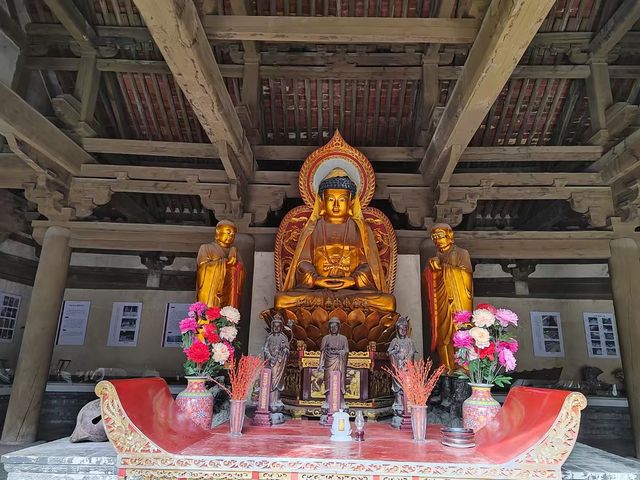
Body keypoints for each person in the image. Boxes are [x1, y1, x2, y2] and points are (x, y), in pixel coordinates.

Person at [275, 168, 395, 312]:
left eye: (342, 200)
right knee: (281, 300)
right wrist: (316, 279)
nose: (336, 205)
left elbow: (368, 265)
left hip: (352, 291)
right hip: (318, 291)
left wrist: (353, 280)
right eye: (331, 199)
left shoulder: (360, 229)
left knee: (388, 302)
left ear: (351, 202)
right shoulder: (313, 228)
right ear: (322, 202)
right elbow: (303, 263)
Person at [423, 223, 473, 372]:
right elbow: (426, 282)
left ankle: (461, 366)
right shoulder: (433, 258)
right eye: (434, 238)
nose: (437, 240)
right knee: (442, 333)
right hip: (441, 302)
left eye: (440, 236)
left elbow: (467, 277)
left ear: (449, 236)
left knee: (459, 330)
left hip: (458, 300)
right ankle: (445, 366)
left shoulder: (461, 253)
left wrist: (445, 269)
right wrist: (432, 272)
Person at [196, 220, 244, 308]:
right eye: (228, 233)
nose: (230, 236)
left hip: (228, 293)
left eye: (233, 235)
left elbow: (241, 271)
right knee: (209, 314)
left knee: (228, 315)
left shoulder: (235, 252)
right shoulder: (206, 247)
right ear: (218, 233)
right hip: (211, 293)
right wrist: (225, 262)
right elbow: (202, 269)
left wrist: (235, 264)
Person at [388, 316, 417, 414]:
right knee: (397, 387)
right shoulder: (394, 341)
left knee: (408, 387)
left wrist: (406, 361)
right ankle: (398, 403)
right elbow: (390, 353)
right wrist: (395, 352)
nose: (403, 331)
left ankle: (408, 406)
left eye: (405, 328)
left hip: (407, 368)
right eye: (401, 328)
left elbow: (412, 353)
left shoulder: (410, 342)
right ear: (397, 329)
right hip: (398, 368)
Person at [262, 314, 290, 411]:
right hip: (271, 362)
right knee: (270, 381)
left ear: (281, 327)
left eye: (278, 326)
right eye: (274, 326)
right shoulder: (269, 337)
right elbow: (265, 349)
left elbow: (287, 350)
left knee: (277, 382)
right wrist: (270, 357)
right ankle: (269, 401)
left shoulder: (284, 338)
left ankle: (276, 399)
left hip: (279, 363)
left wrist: (284, 348)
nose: (276, 328)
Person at [318, 317, 349, 398]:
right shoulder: (326, 338)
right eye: (331, 327)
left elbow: (346, 350)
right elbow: (323, 352)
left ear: (338, 327)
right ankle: (328, 399)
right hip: (328, 360)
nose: (333, 328)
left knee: (339, 378)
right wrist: (320, 364)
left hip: (339, 360)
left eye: (335, 326)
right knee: (328, 378)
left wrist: (342, 352)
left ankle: (340, 399)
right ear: (329, 328)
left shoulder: (343, 338)